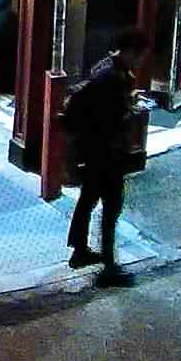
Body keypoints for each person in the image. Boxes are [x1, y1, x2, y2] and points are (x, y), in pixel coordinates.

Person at [62, 32, 149, 283]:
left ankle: (80, 250)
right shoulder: (114, 78)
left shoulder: (104, 66)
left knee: (88, 199)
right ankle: (109, 266)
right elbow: (113, 116)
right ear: (130, 51)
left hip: (92, 148)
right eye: (138, 56)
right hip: (107, 151)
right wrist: (131, 106)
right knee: (112, 206)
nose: (139, 62)